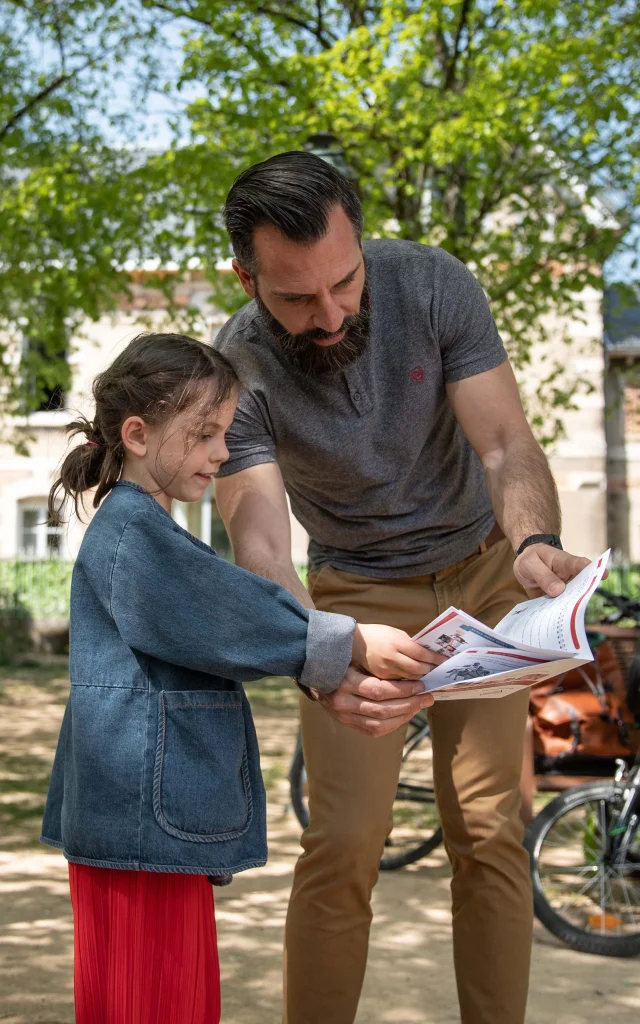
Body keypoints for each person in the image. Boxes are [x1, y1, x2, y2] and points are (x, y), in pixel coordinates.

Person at [211, 151, 592, 1024]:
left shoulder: (432, 285)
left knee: (491, 831)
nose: (331, 313)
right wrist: (321, 649)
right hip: (352, 593)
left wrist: (535, 538)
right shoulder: (236, 365)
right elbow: (261, 539)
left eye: (345, 283)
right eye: (298, 299)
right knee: (342, 843)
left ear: (362, 241)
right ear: (246, 275)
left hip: (488, 573)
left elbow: (505, 445)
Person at [40, 331, 439, 1024]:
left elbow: (221, 620)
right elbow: (228, 616)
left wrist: (327, 663)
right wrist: (346, 642)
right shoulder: (136, 532)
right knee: (154, 1005)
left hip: (142, 832)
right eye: (203, 435)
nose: (221, 454)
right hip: (141, 839)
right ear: (137, 434)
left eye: (223, 434)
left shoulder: (143, 527)